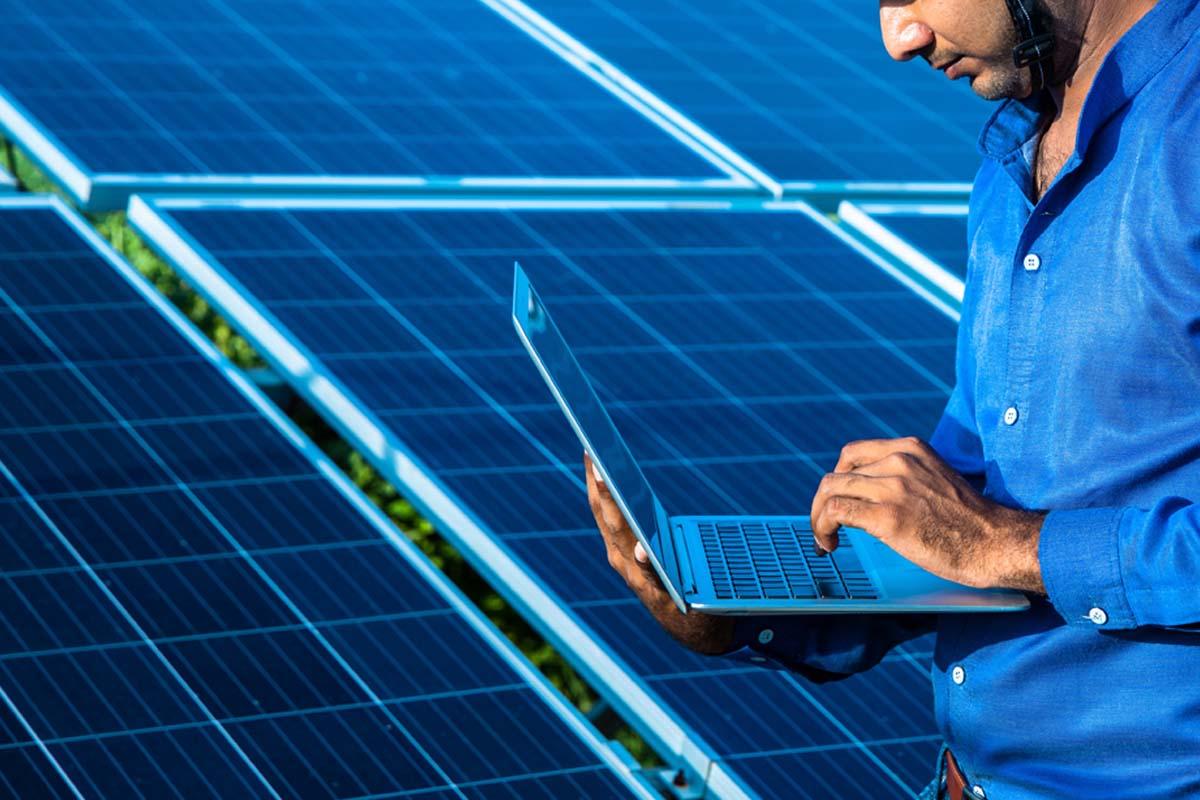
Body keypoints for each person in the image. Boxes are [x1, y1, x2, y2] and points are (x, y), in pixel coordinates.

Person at [585, 0, 1200, 796]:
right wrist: (737, 609)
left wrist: (1007, 546)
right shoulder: (1015, 157)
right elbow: (971, 507)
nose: (898, 39)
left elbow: (989, 536)